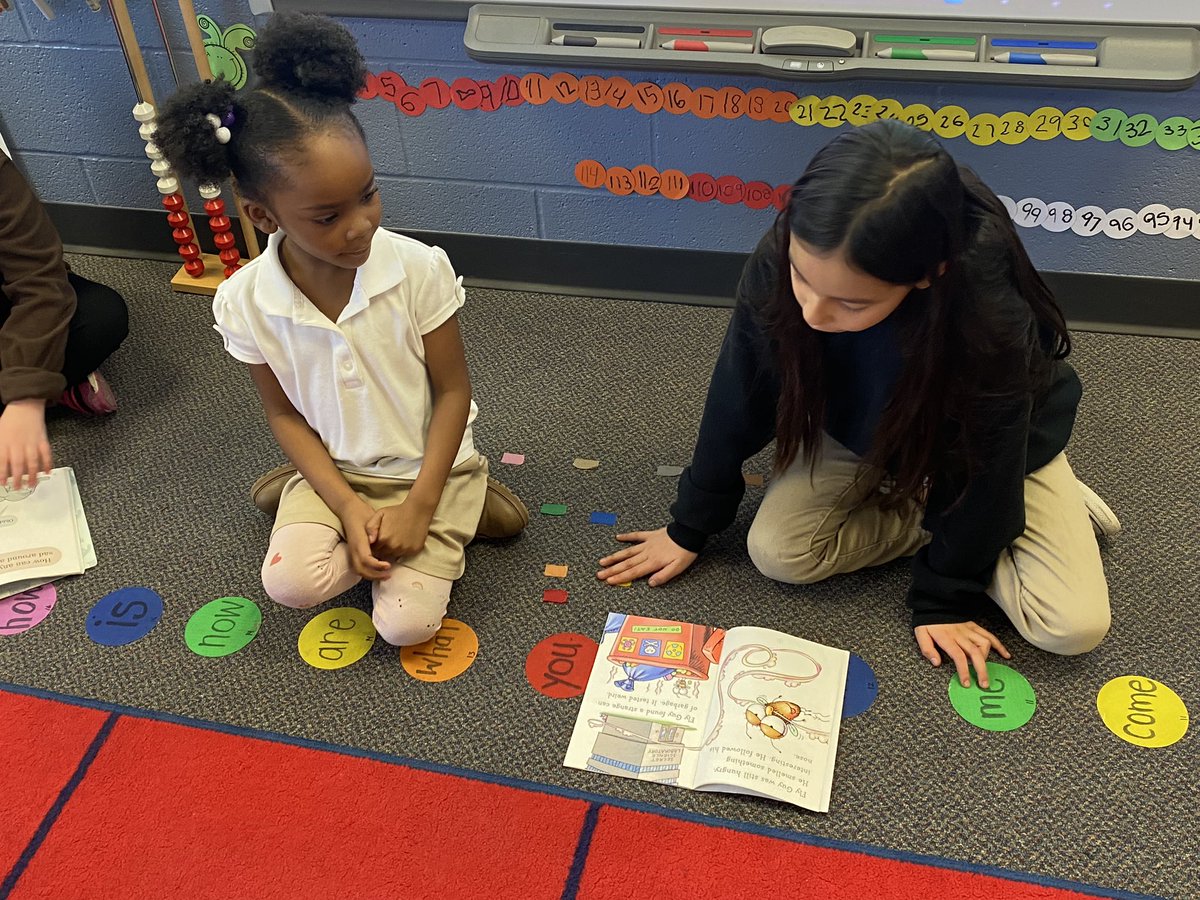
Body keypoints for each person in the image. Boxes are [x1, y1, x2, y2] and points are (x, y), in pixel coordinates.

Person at [597, 120, 1119, 689]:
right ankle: (969, 522)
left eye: (849, 302)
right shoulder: (794, 247)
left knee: (1070, 626)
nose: (813, 314)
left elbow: (983, 464)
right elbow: (739, 392)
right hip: (860, 429)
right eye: (802, 278)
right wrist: (690, 525)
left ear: (927, 276)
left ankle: (1019, 509)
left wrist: (943, 597)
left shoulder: (986, 315)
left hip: (985, 451)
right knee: (778, 553)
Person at [154, 12, 528, 646]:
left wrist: (416, 508)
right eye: (327, 216)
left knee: (406, 626)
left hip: (427, 470)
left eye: (369, 194)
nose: (360, 225)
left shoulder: (417, 268)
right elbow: (284, 416)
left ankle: (465, 497)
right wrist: (350, 509)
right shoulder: (244, 302)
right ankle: (315, 495)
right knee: (290, 587)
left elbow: (453, 393)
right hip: (340, 472)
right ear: (262, 216)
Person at [0, 151, 126, 489]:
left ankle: (41, 382)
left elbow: (40, 283)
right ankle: (59, 385)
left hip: (12, 306)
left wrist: (25, 398)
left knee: (101, 315)